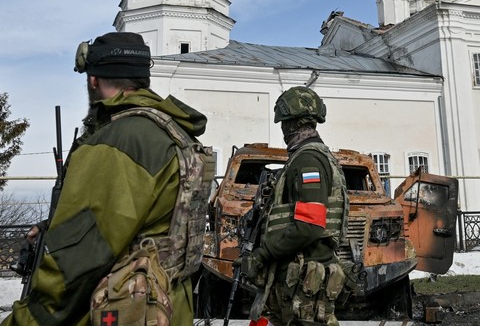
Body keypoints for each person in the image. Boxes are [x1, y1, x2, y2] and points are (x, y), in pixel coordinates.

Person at [2, 32, 212, 326]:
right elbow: (147, 222)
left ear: (93, 80)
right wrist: (54, 226)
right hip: (166, 306)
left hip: (118, 311)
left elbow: (75, 267)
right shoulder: (175, 134)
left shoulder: (119, 141)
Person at [235, 86, 349, 326]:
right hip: (296, 279)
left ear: (291, 123)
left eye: (284, 123)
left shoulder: (308, 161)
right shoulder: (308, 157)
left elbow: (310, 225)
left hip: (303, 283)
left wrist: (261, 256)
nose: (283, 130)